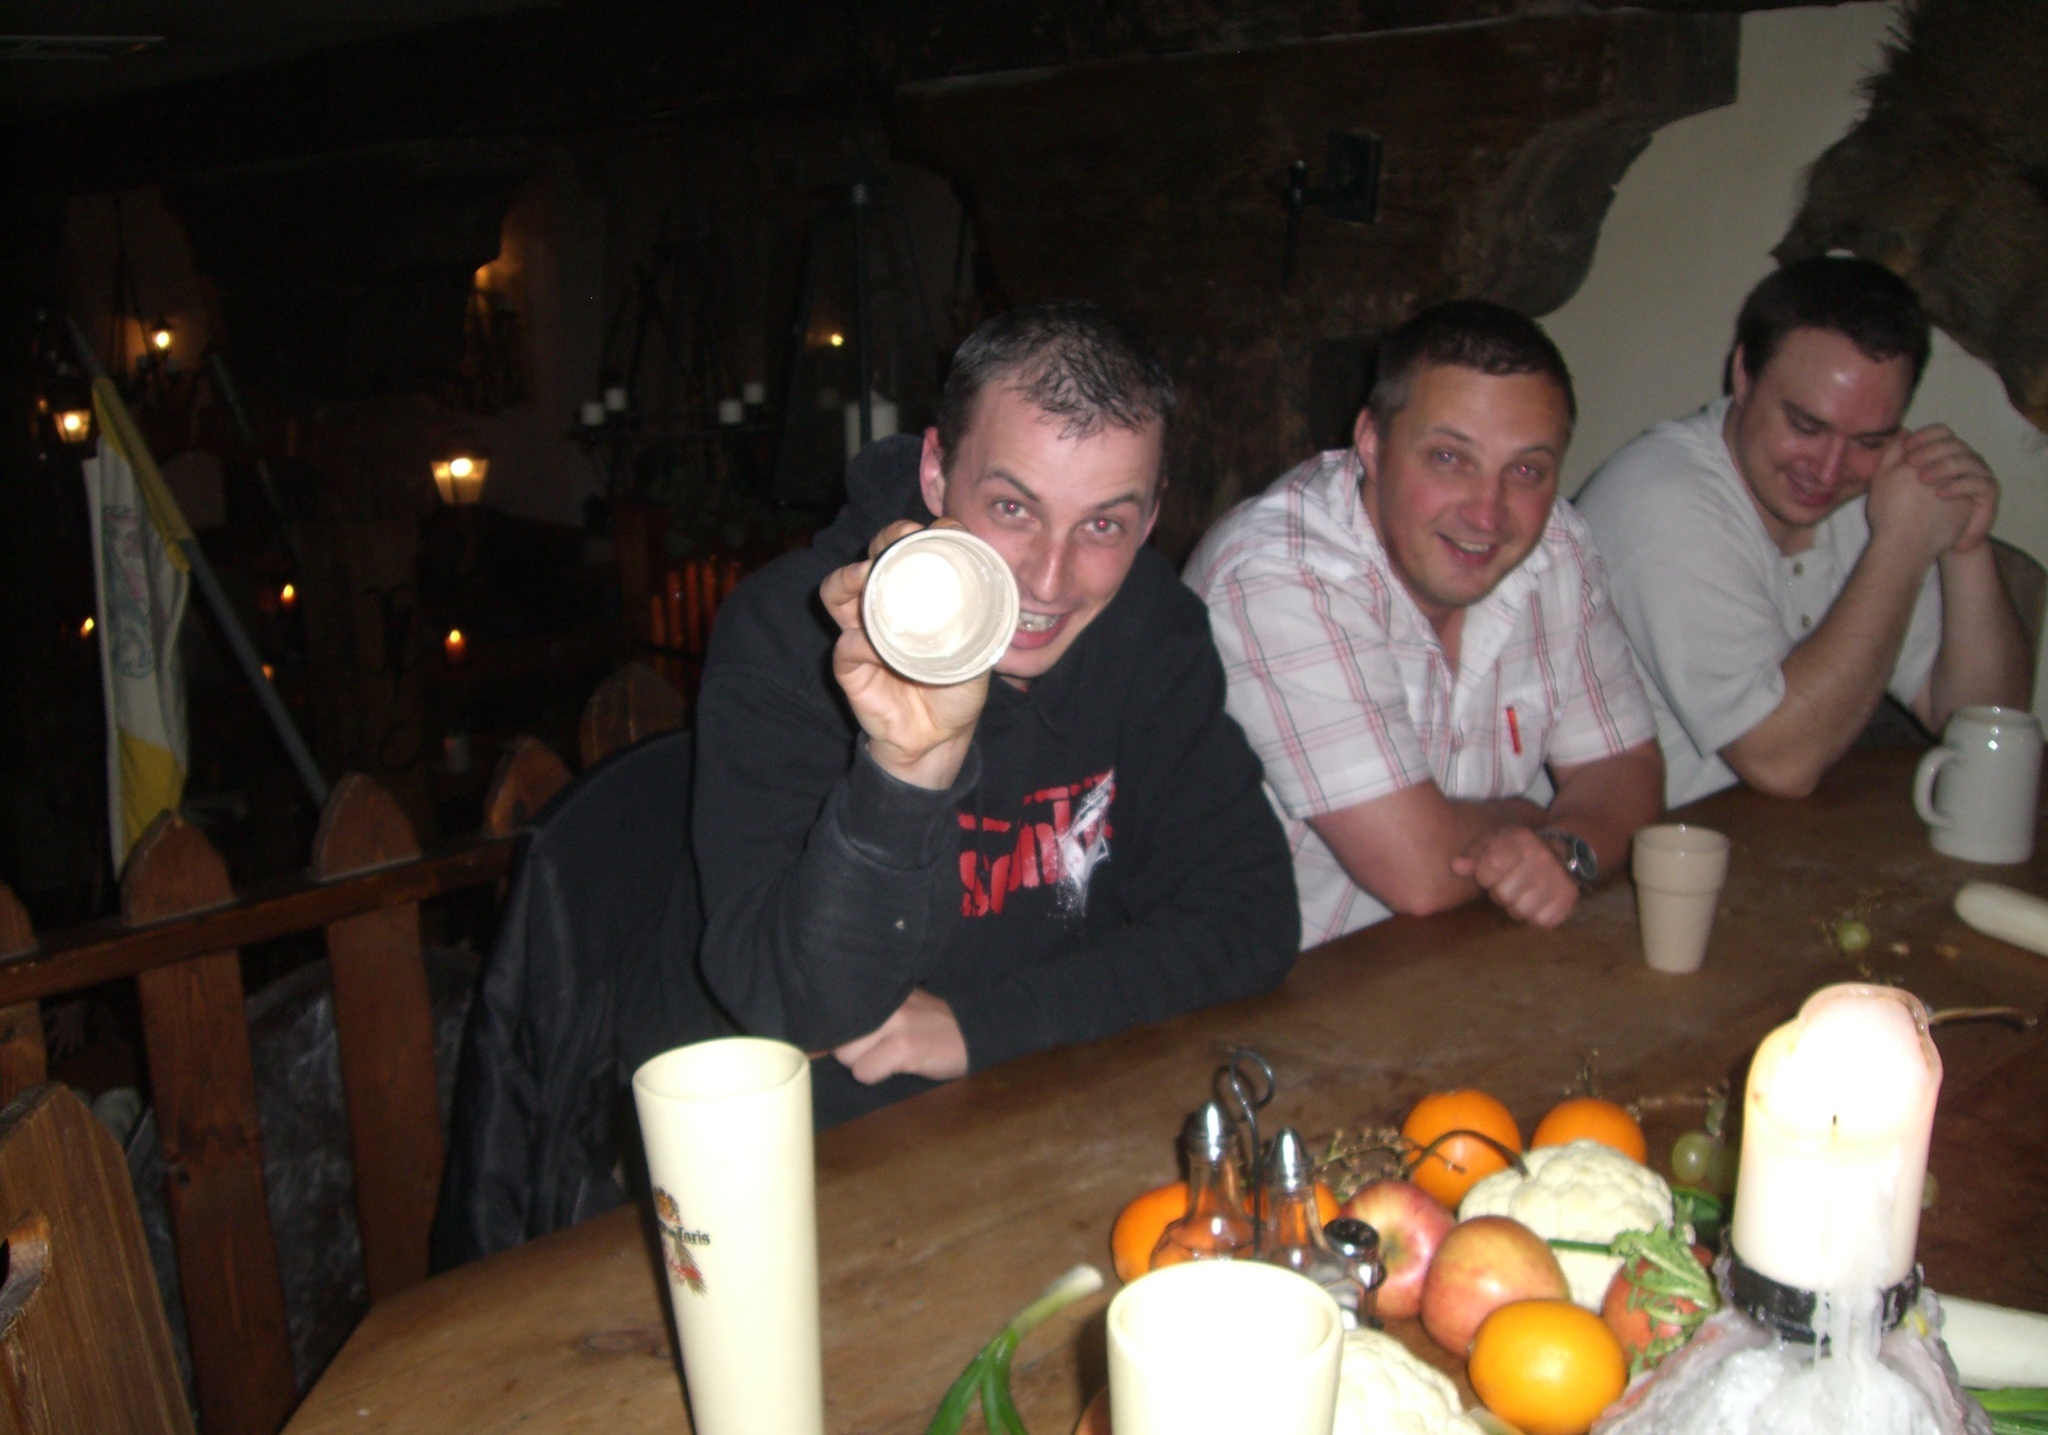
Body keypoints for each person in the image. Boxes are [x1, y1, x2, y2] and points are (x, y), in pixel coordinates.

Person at [692, 302, 1299, 1127]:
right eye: (1013, 508)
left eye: (1104, 524)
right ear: (935, 472)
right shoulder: (790, 636)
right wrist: (908, 772)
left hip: (1058, 1091)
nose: (1048, 579)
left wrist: (984, 1027)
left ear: (1152, 517)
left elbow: (1251, 916)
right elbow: (803, 1012)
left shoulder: (1151, 626)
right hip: (821, 1138)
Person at [1186, 300, 1663, 948]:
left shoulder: (1556, 548)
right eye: (1448, 458)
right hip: (1278, 985)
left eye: (1525, 471)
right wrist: (1531, 820)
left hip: (1459, 961)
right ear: (1372, 442)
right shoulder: (1278, 575)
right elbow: (1417, 872)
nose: (1487, 514)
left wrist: (1565, 848)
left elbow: (1626, 765)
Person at [1576, 257, 2030, 807]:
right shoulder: (1656, 500)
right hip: (1624, 844)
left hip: (1762, 831)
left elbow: (1986, 728)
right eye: (1806, 425)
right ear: (1743, 375)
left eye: (1869, 441)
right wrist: (1902, 547)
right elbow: (1780, 762)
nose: (1829, 471)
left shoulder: (1874, 491)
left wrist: (1965, 544)